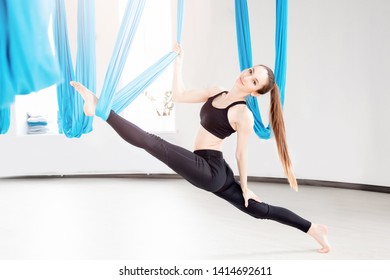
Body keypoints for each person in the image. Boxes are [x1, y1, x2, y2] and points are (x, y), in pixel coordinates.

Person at [70, 44, 331, 253]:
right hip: (214, 168)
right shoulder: (216, 91)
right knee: (259, 210)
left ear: (256, 93)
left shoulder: (243, 114)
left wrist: (244, 185)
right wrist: (178, 63)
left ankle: (100, 110)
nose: (247, 77)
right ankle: (312, 228)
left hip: (211, 170)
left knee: (154, 143)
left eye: (254, 81)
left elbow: (242, 153)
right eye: (251, 71)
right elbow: (180, 95)